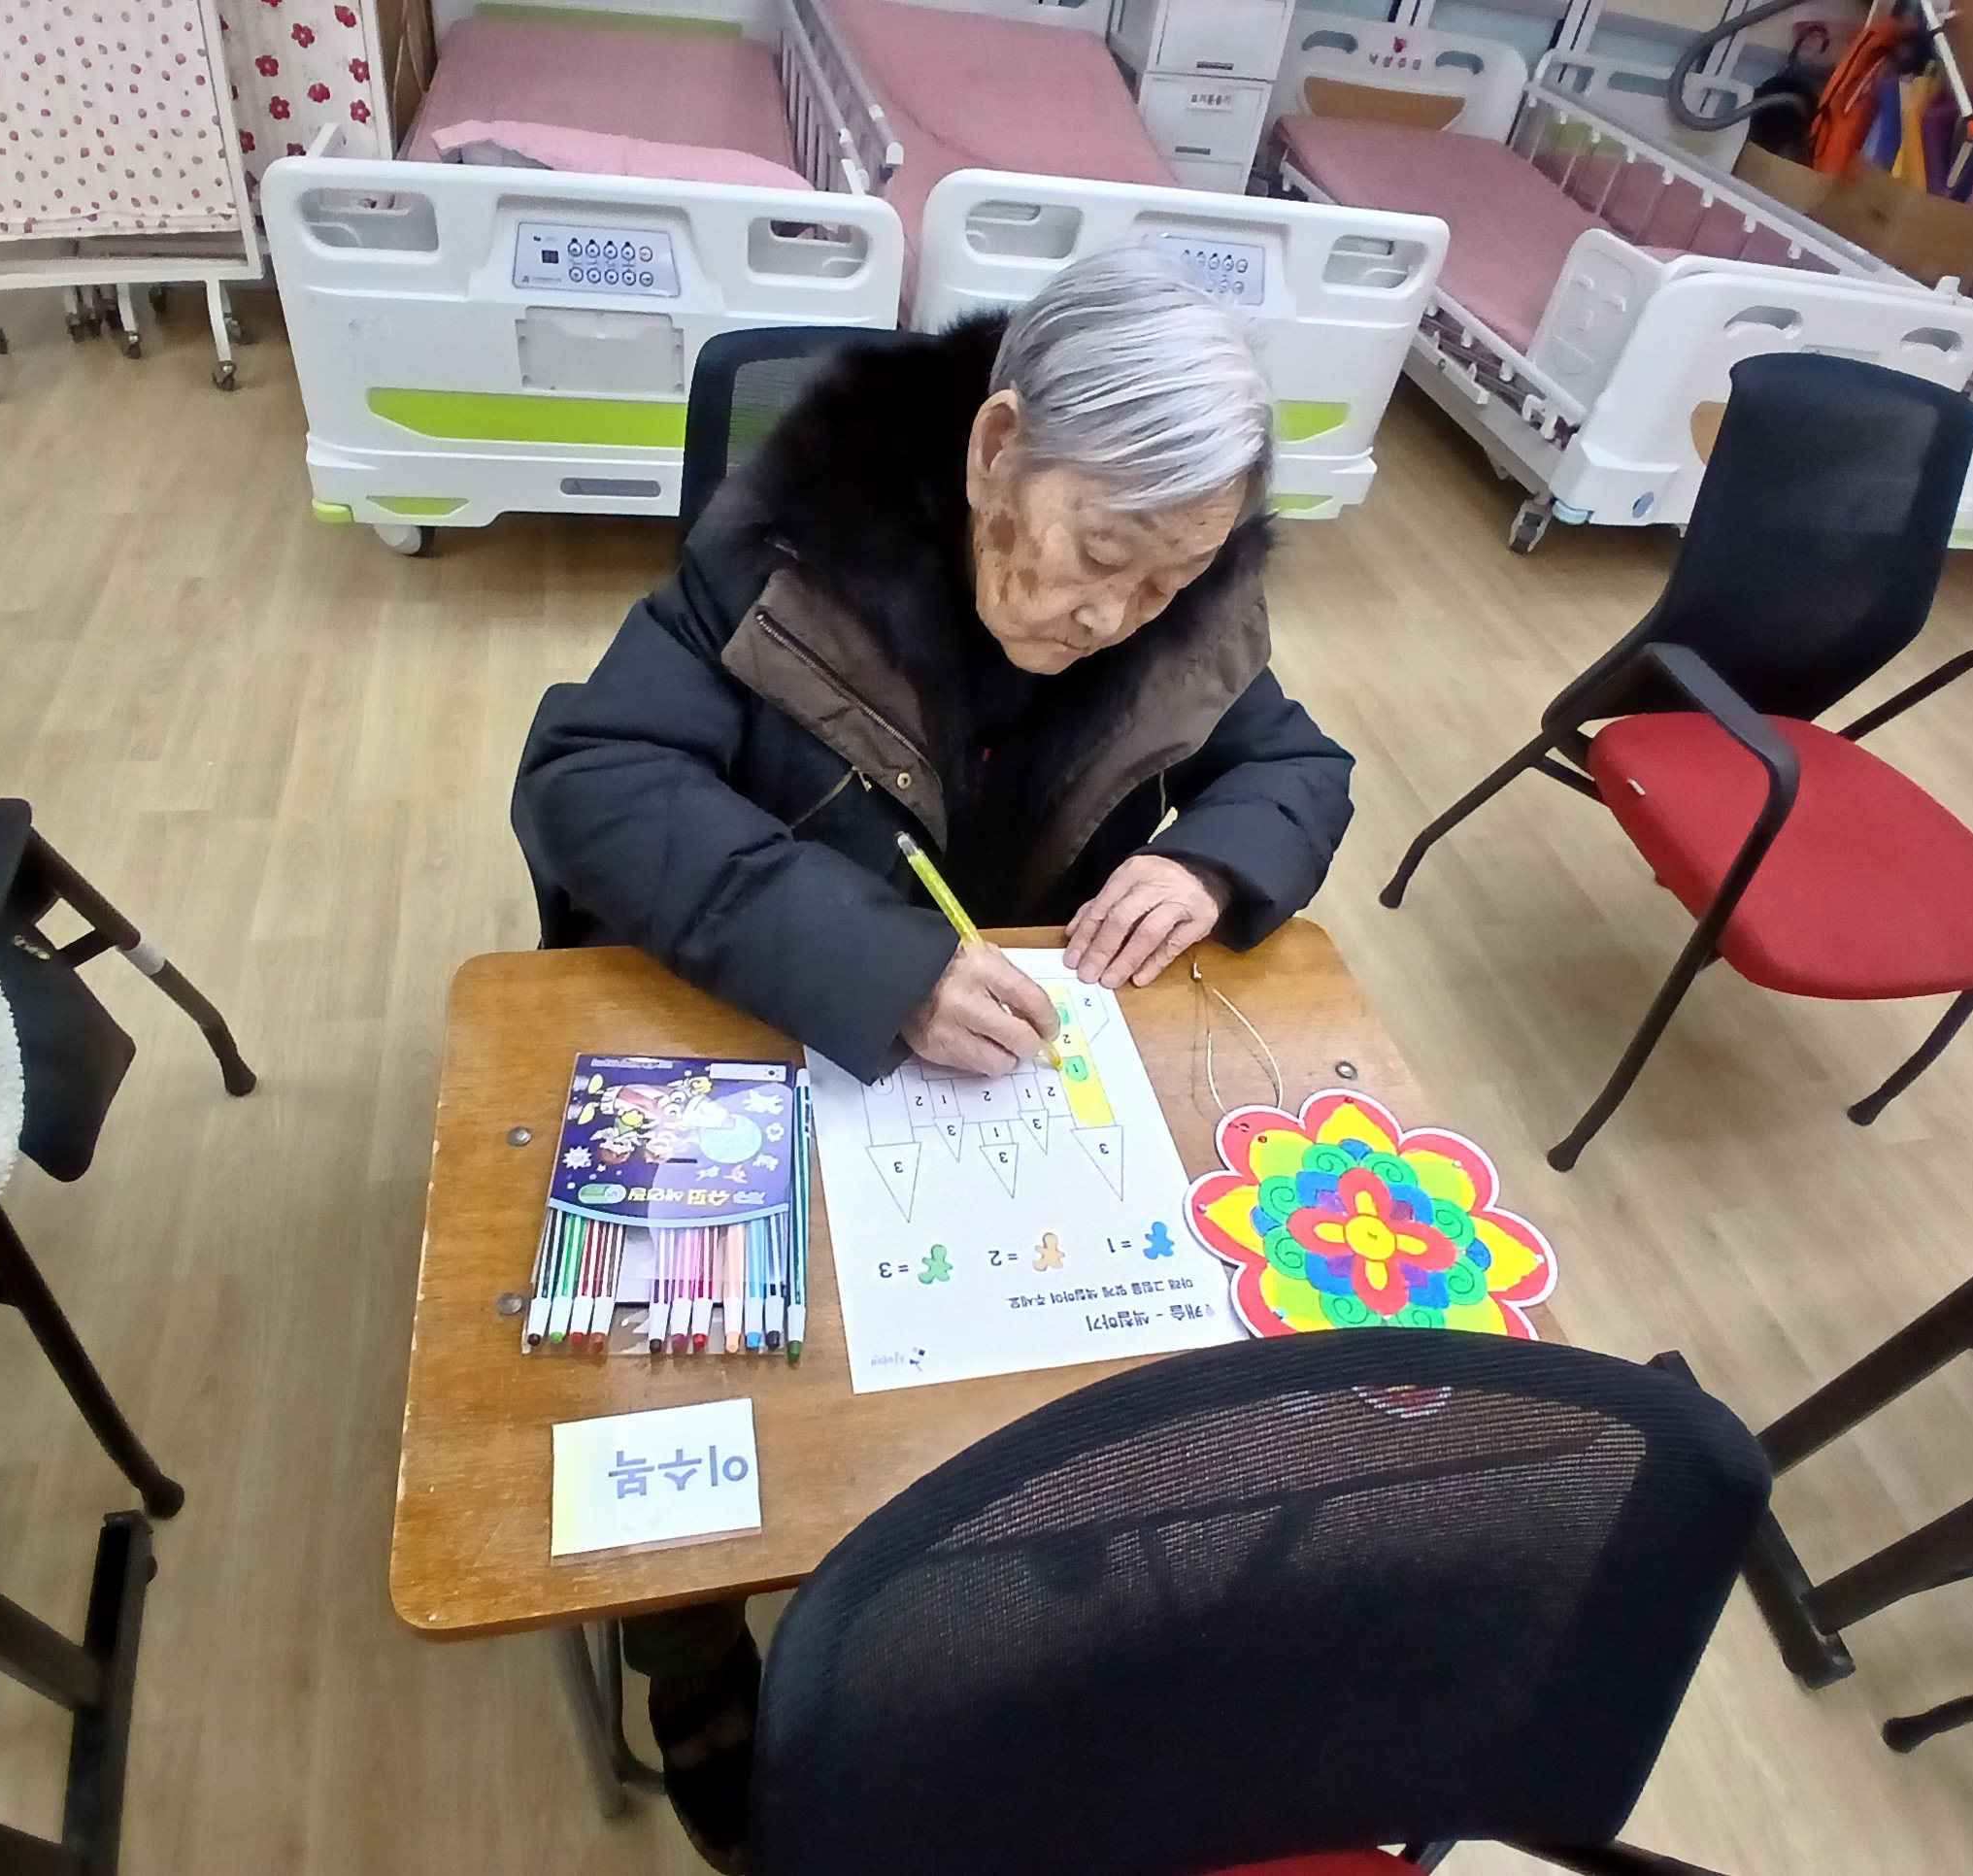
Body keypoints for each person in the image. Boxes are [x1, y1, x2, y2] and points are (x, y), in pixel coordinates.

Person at [513, 250, 1355, 1870]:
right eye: (1098, 555)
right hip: (771, 1013)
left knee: (1094, 1363)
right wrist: (877, 965)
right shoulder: (786, 564)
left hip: (1003, 1085)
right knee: (684, 1361)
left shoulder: (1175, 602)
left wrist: (1213, 858)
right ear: (996, 447)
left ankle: (1002, 1593)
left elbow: (1295, 765)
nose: (1118, 616)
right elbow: (592, 776)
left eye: (1173, 577)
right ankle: (691, 1649)